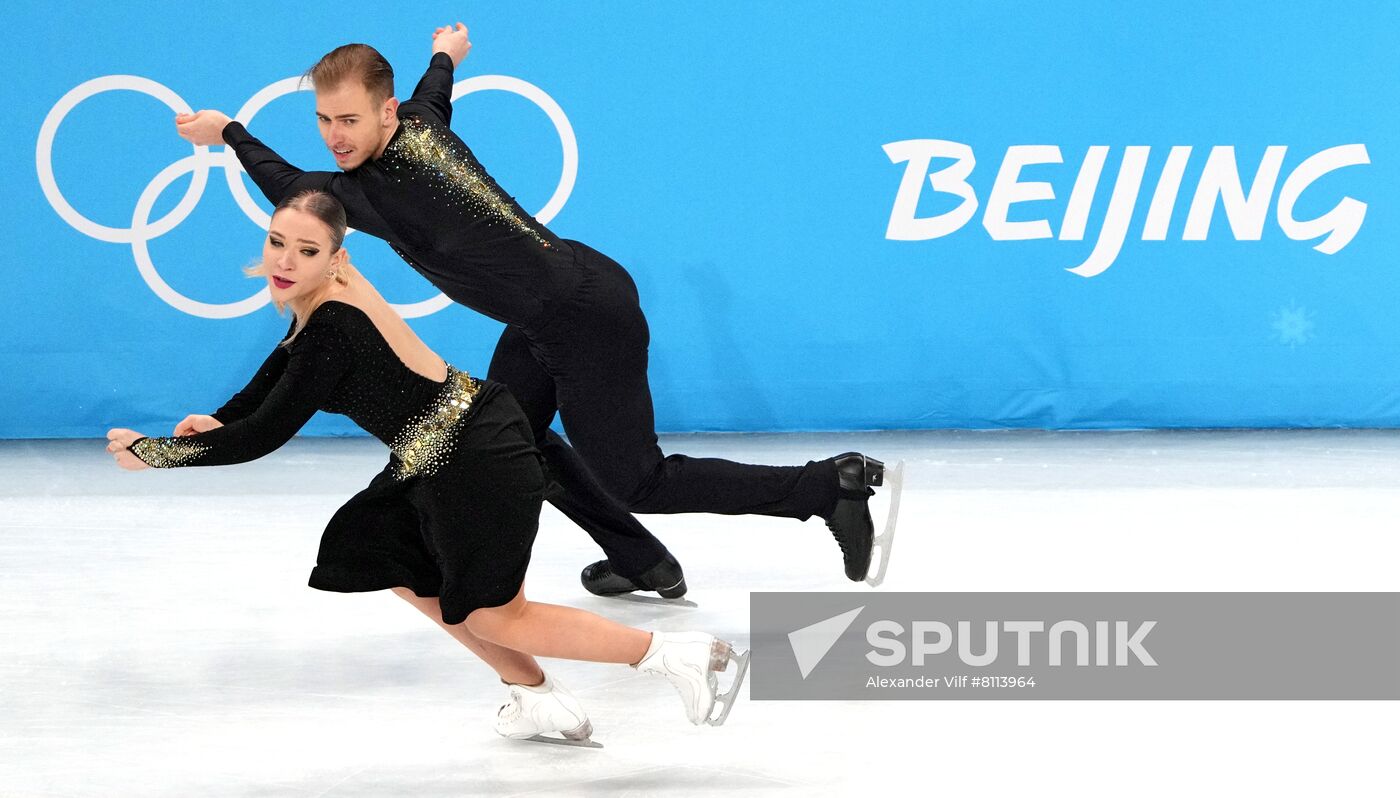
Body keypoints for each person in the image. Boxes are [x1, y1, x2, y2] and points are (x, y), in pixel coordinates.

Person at [173, 24, 898, 598]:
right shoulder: (421, 124)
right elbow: (436, 94)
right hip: (554, 305)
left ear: (384, 112)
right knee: (510, 436)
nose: (336, 136)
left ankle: (825, 486)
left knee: (638, 479)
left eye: (350, 120)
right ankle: (639, 559)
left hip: (584, 319)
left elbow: (289, 185)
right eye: (326, 119)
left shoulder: (382, 185)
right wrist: (444, 53)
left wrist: (230, 133)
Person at [105, 190, 748, 743]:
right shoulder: (314, 314)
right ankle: (537, 696)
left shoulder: (333, 323)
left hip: (475, 450)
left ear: (338, 259)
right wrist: (215, 420)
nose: (285, 260)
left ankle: (683, 658)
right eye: (278, 242)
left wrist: (159, 456)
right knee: (376, 546)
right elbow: (265, 390)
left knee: (498, 613)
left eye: (306, 250)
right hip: (436, 450)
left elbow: (266, 433)